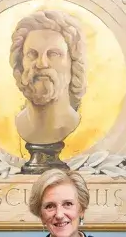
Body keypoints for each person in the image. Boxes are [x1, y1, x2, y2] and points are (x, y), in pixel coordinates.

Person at [10, 10, 86, 146]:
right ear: (20, 64)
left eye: (54, 54)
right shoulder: (10, 126)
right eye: (32, 54)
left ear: (73, 64)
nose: (41, 64)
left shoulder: (85, 128)